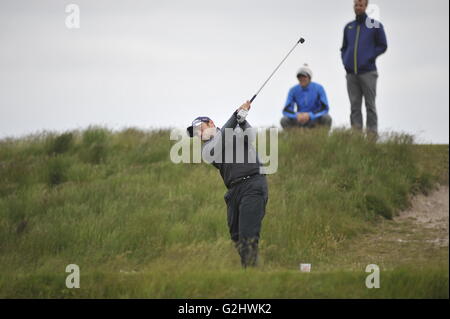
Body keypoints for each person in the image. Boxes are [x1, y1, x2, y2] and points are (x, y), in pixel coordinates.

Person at [186, 101, 268, 268]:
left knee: (248, 235)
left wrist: (242, 120)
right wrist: (235, 115)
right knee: (236, 235)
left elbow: (251, 137)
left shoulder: (236, 131)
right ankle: (252, 270)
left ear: (211, 124)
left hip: (253, 185)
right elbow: (221, 139)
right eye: (195, 134)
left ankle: (251, 275)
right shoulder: (207, 150)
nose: (198, 134)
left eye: (199, 129)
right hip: (234, 191)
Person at [341, 0, 388, 136]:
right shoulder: (349, 27)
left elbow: (383, 45)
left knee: (370, 105)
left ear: (366, 6)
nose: (358, 7)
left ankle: (372, 136)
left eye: (361, 5)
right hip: (351, 74)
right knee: (354, 106)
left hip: (368, 72)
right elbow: (344, 48)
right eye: (356, 5)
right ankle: (356, 137)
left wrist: (369, 56)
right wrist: (345, 61)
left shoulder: (375, 26)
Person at [280, 64, 332, 130]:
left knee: (327, 118)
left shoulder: (319, 88)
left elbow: (324, 108)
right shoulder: (293, 90)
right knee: (284, 120)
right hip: (299, 119)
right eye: (299, 77)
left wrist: (310, 115)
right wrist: (297, 115)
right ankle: (294, 138)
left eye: (304, 76)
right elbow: (286, 109)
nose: (301, 79)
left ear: (309, 77)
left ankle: (323, 138)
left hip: (315, 119)